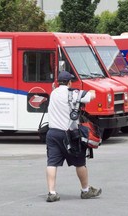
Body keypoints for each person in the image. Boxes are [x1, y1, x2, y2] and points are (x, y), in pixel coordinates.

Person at [45, 71, 101, 202]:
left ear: (59, 82)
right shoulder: (74, 93)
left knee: (52, 163)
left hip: (52, 133)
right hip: (70, 134)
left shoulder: (53, 93)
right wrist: (92, 91)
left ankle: (51, 192)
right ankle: (85, 191)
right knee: (80, 162)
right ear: (70, 82)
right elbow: (91, 96)